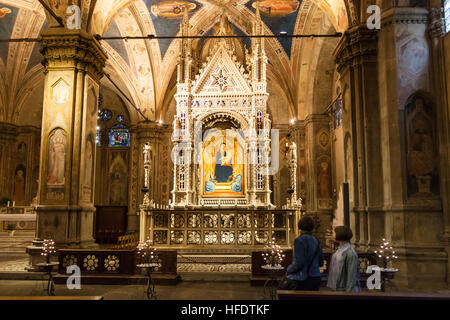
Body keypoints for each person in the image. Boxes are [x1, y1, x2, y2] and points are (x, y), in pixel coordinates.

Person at [282, 216, 324, 291]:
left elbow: (299, 262)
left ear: (300, 226)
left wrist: (289, 269)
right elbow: (321, 262)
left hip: (303, 278)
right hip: (315, 277)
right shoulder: (316, 240)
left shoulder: (299, 240)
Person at [327, 226, 361, 292]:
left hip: (344, 289)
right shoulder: (338, 249)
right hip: (336, 287)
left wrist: (348, 293)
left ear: (340, 234)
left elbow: (351, 275)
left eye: (334, 233)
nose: (332, 234)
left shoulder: (350, 253)